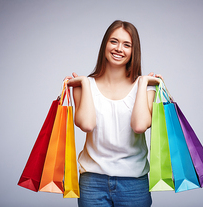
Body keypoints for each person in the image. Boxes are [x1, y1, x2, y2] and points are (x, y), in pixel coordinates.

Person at [65, 20, 162, 207]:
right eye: (114, 41)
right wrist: (85, 82)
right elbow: (86, 124)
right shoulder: (82, 87)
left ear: (134, 51)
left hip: (134, 182)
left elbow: (139, 126)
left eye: (127, 45)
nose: (119, 49)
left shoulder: (146, 89)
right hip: (92, 181)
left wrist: (142, 83)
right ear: (105, 45)